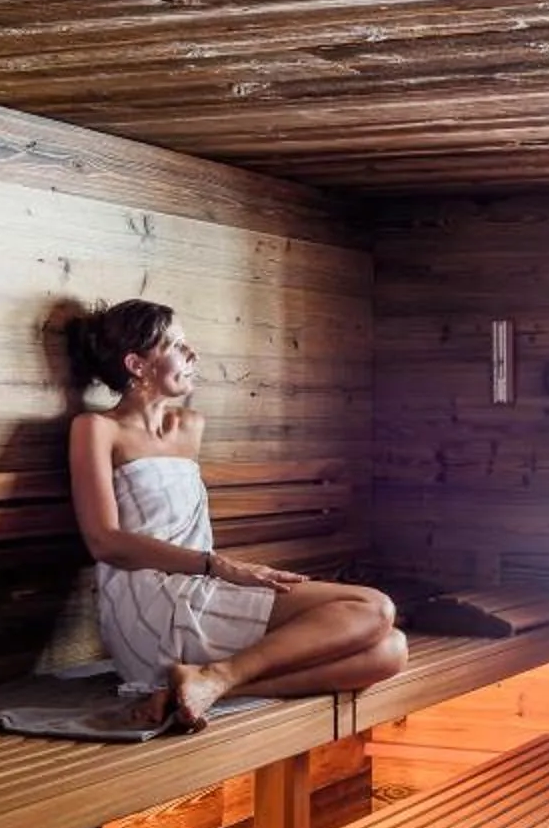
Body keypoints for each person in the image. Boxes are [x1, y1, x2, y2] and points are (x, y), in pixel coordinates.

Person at [62, 298, 405, 731]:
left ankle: (210, 683)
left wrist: (216, 573)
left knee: (391, 650)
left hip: (201, 589)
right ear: (137, 363)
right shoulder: (96, 429)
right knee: (374, 610)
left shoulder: (189, 425)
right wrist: (219, 566)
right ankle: (215, 676)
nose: (193, 355)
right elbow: (104, 541)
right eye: (177, 345)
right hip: (150, 607)